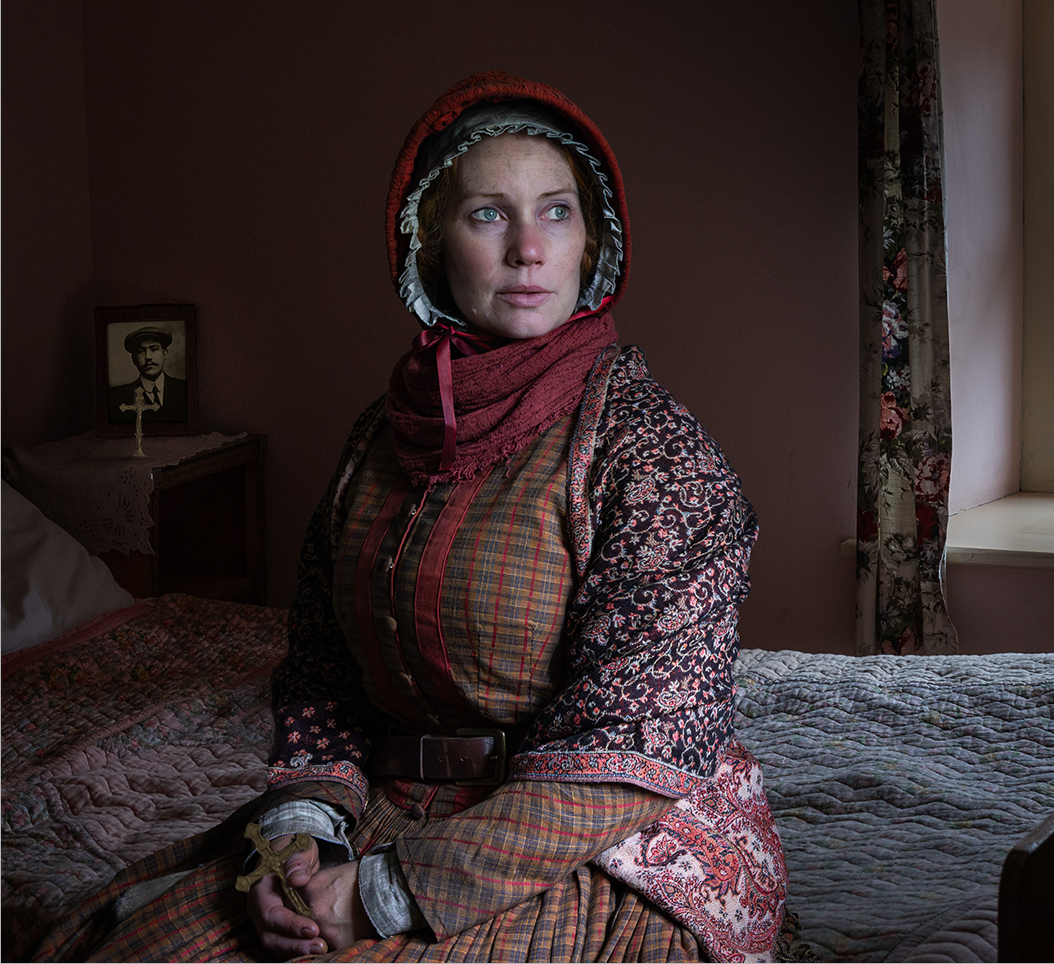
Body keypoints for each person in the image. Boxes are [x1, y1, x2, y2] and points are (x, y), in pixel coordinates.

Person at [40, 73, 789, 963]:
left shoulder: (653, 452)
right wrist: (304, 833)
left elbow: (629, 752)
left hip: (592, 844)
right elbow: (322, 671)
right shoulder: (381, 436)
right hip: (388, 805)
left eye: (556, 213)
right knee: (132, 947)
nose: (527, 250)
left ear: (594, 241)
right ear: (428, 242)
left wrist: (383, 893)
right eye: (487, 215)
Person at [109, 326, 188, 425]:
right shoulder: (116, 397)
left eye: (154, 349)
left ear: (164, 354)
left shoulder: (185, 389)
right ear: (134, 359)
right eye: (141, 351)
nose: (148, 357)